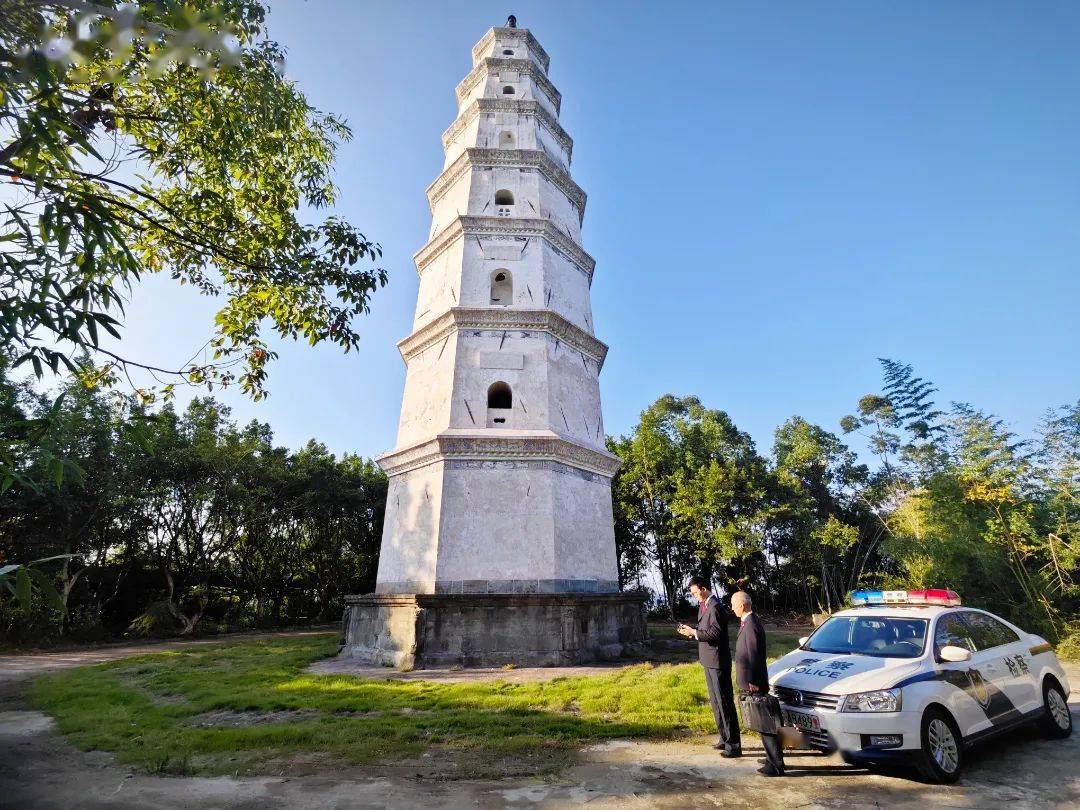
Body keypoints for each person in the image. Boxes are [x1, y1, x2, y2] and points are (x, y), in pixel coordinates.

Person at [677, 576, 741, 757]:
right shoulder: (703, 606)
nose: (695, 596)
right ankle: (724, 737)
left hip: (718, 661)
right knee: (715, 702)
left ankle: (733, 744)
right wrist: (691, 633)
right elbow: (704, 631)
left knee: (725, 702)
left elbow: (715, 633)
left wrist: (694, 632)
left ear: (704, 588)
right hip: (707, 659)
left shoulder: (715, 607)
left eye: (696, 592)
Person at [732, 591, 785, 777]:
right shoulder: (747, 622)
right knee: (762, 723)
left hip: (754, 682)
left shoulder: (751, 624)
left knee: (765, 724)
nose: (732, 609)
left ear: (742, 605)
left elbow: (754, 654)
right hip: (751, 680)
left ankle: (775, 764)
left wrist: (753, 680)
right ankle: (771, 757)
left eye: (733, 605)